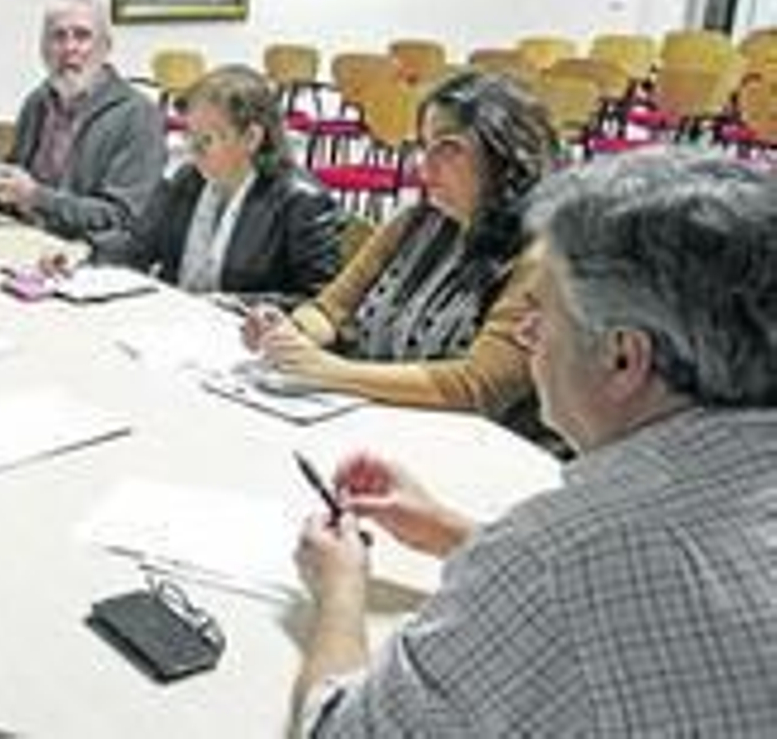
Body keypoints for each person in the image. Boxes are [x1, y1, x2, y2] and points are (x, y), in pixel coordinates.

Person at [293, 150, 777, 734]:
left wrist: (339, 590)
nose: (525, 336)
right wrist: (456, 532)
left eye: (541, 317)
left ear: (623, 358)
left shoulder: (550, 559)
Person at [245, 70, 554, 435]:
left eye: (449, 148)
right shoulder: (413, 223)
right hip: (374, 423)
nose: (425, 167)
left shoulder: (543, 256)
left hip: (467, 448)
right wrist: (292, 333)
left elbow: (478, 386)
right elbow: (331, 309)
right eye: (423, 148)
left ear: (504, 155)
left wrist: (330, 371)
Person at [92, 65, 342, 300]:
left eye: (206, 140)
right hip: (177, 326)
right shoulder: (189, 178)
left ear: (251, 138)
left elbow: (318, 304)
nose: (192, 151)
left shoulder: (303, 202)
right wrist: (82, 252)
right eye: (189, 136)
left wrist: (233, 305)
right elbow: (139, 246)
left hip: (243, 339)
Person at [0, 0, 164, 244]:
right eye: (58, 36)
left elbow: (122, 216)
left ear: (106, 47)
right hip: (24, 238)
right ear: (43, 49)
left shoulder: (138, 115)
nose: (69, 48)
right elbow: (16, 178)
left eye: (82, 36)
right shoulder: (37, 102)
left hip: (86, 256)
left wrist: (37, 197)